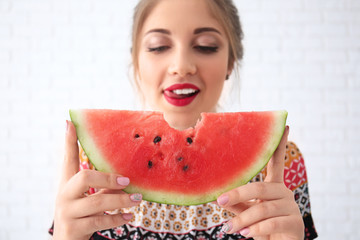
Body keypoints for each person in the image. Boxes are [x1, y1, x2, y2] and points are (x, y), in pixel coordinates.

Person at [50, 0, 318, 239]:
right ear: (137, 62)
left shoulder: (282, 166)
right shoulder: (90, 170)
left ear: (230, 63)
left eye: (205, 46)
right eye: (158, 47)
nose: (181, 65)